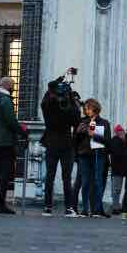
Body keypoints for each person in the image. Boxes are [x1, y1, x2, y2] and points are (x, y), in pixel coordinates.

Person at [40, 78, 81, 217]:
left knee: (49, 176)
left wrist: (58, 81)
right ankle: (68, 208)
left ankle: (47, 207)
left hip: (52, 143)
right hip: (66, 144)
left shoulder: (47, 105)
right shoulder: (69, 107)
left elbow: (46, 96)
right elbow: (77, 122)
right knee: (66, 178)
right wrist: (72, 100)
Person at [0, 77, 25, 215]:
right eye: (13, 85)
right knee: (5, 174)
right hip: (6, 142)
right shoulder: (5, 100)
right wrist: (22, 131)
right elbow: (11, 121)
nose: (14, 88)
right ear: (7, 86)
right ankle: (0, 203)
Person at [74, 99, 111, 218]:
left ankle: (96, 209)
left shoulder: (104, 123)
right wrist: (78, 132)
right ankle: (85, 209)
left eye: (88, 108)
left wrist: (94, 135)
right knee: (85, 182)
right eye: (85, 109)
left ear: (95, 108)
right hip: (84, 155)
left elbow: (107, 141)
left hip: (98, 155)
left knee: (97, 182)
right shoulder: (83, 121)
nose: (86, 110)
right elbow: (76, 141)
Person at [107, 124, 127, 216]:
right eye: (121, 131)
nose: (123, 133)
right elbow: (120, 154)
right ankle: (116, 207)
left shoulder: (117, 141)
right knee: (117, 189)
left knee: (116, 189)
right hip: (118, 169)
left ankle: (116, 206)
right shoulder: (117, 141)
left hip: (116, 168)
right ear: (118, 132)